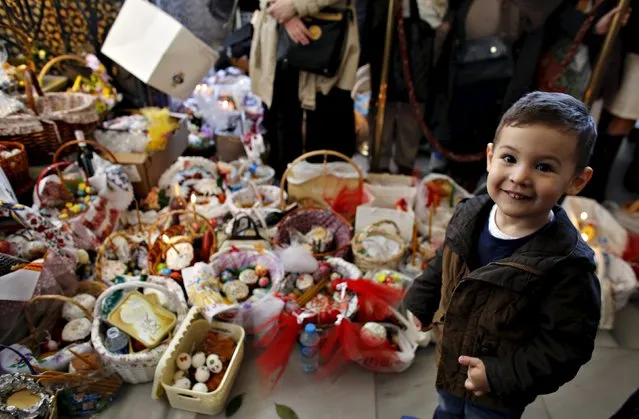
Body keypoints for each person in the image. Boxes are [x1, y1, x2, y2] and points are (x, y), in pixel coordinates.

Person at [404, 91, 601, 419]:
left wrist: (498, 375)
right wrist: (422, 298)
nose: (520, 176)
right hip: (451, 362)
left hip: (498, 392)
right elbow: (445, 260)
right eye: (510, 158)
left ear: (577, 180)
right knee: (446, 409)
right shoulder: (469, 215)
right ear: (490, 157)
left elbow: (566, 347)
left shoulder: (567, 267)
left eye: (543, 166)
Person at [250, 0, 360, 177]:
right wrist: (285, 14)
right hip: (277, 38)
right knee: (280, 133)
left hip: (326, 37)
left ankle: (322, 198)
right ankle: (284, 193)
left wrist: (296, 6)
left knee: (327, 143)